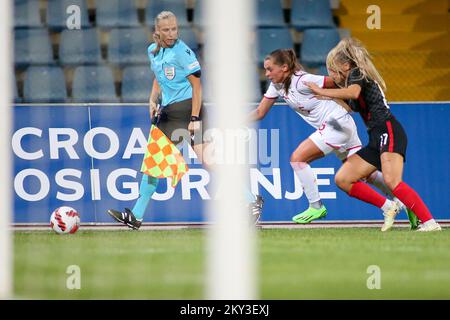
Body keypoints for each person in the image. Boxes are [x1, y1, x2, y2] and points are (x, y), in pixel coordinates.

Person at [107, 11, 263, 229]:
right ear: (157, 32)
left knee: (197, 161)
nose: (171, 33)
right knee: (161, 163)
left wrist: (194, 118)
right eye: (166, 30)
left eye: (174, 29)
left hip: (188, 109)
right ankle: (250, 199)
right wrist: (152, 99)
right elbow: (159, 76)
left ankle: (250, 200)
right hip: (169, 112)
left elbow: (197, 87)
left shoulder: (183, 52)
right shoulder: (153, 51)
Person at [249, 48, 400, 225]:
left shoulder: (303, 80)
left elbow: (339, 82)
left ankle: (316, 206)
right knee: (366, 175)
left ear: (284, 67)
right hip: (341, 125)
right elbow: (260, 112)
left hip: (336, 123)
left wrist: (348, 102)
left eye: (270, 69)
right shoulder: (277, 85)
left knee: (298, 159)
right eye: (265, 69)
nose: (266, 74)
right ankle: (399, 202)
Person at [306, 38, 441, 232]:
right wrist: (325, 95)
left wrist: (322, 89)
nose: (332, 75)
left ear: (346, 65)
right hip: (375, 138)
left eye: (333, 70)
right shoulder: (353, 80)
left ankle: (430, 223)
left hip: (388, 130)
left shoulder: (357, 73)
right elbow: (351, 104)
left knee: (392, 181)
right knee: (343, 179)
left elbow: (352, 93)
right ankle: (390, 206)